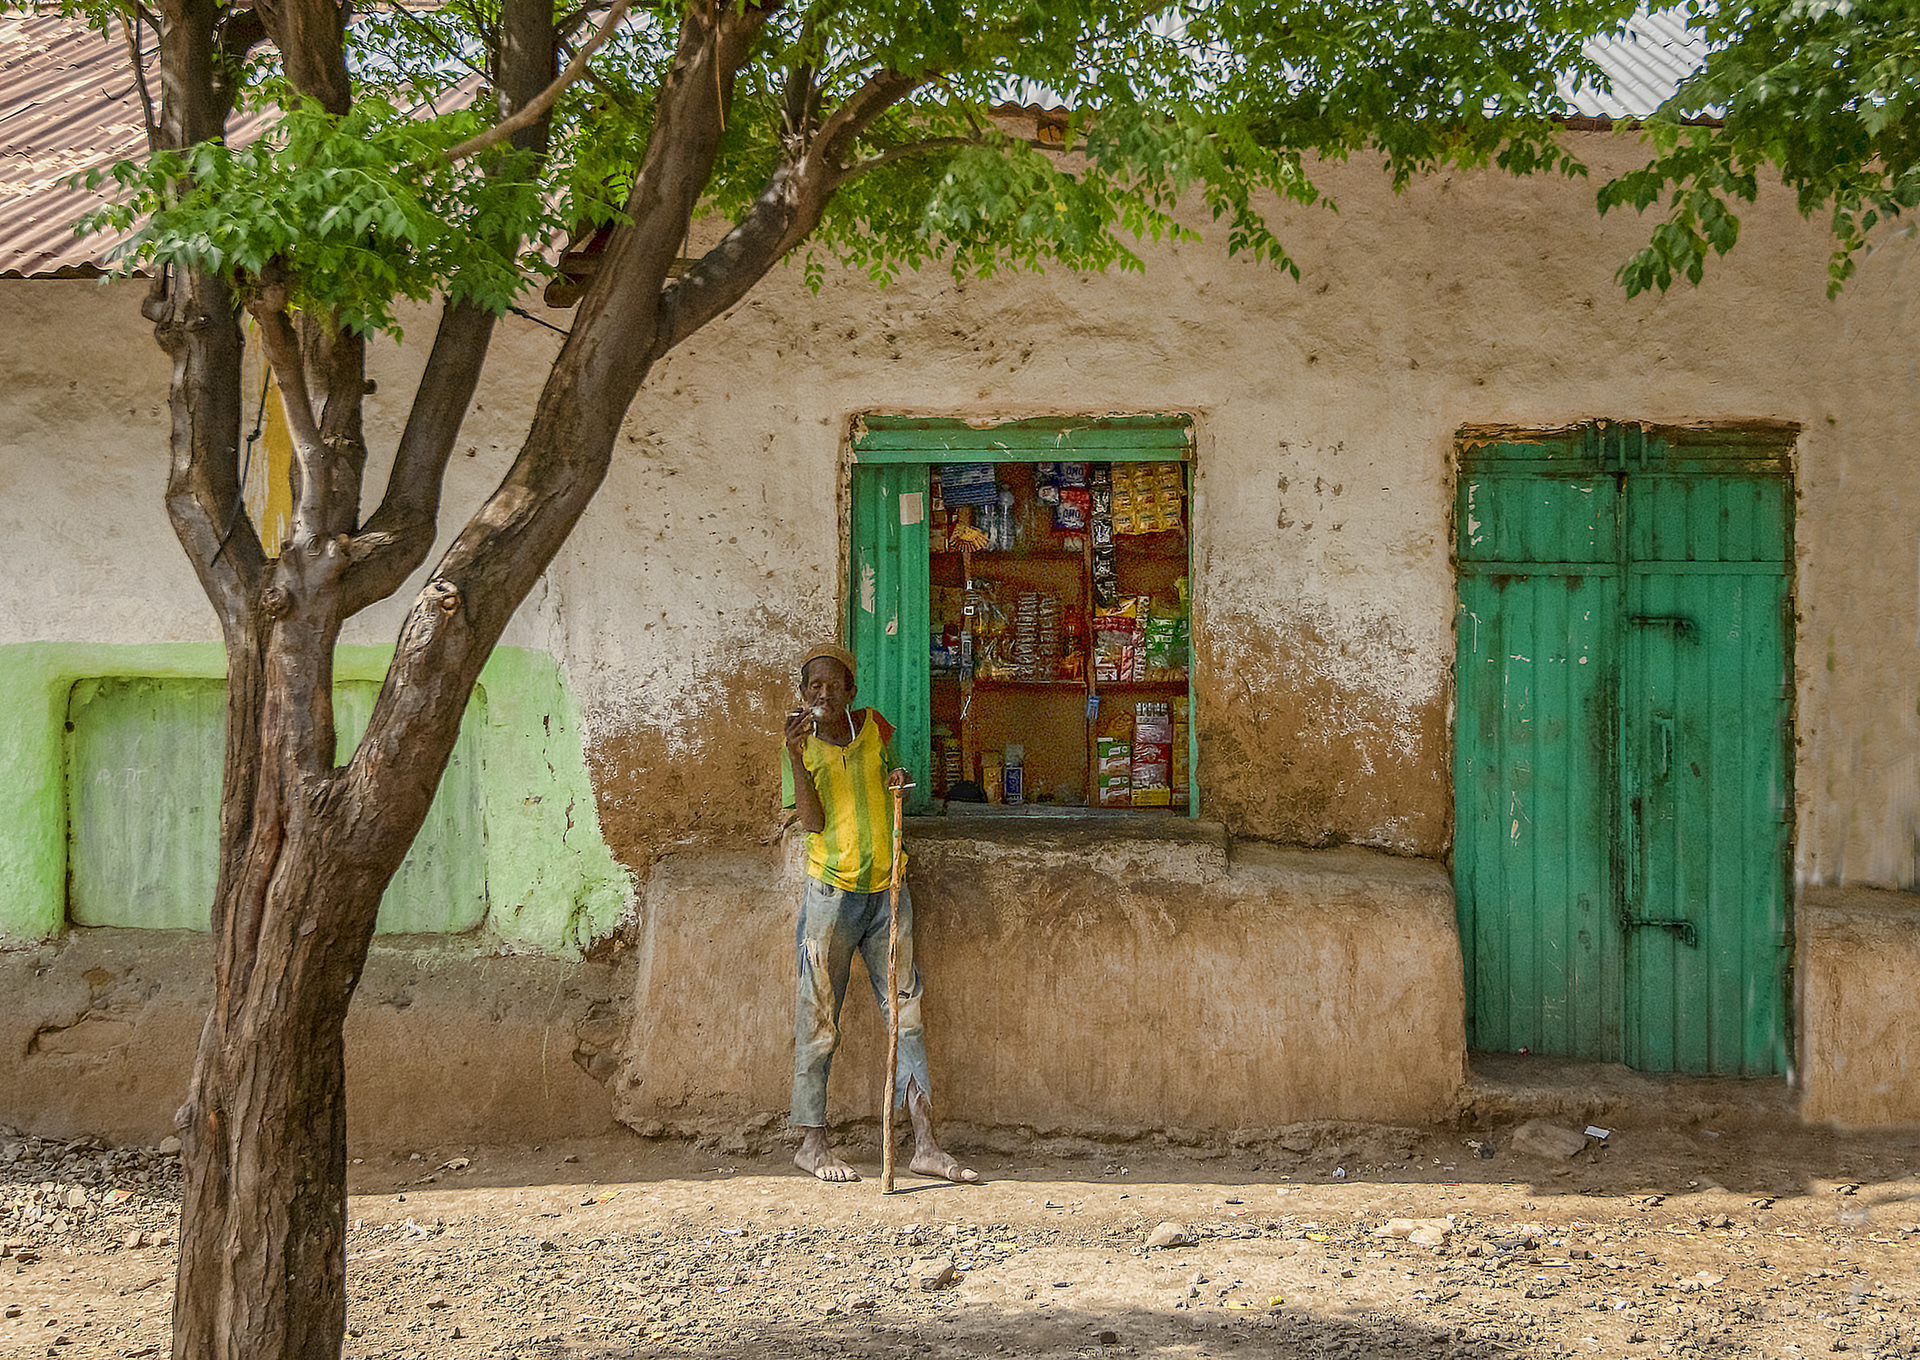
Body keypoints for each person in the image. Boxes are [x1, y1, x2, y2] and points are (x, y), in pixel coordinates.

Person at [780, 642, 976, 1185]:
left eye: (833, 685)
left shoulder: (874, 730)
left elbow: (896, 784)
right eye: (813, 686)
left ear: (851, 691)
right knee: (819, 1014)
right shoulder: (796, 746)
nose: (823, 694)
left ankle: (926, 1145)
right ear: (803, 694)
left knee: (905, 1011)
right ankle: (812, 1143)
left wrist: (900, 782)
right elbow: (812, 822)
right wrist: (796, 757)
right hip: (831, 896)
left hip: (889, 890)